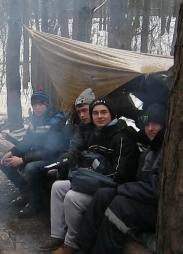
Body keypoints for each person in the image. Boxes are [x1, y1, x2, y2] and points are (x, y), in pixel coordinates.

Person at [39, 97, 140, 254]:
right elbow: (86, 158)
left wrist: (90, 176)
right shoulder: (95, 134)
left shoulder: (122, 138)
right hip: (93, 183)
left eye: (104, 112)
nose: (99, 116)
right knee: (58, 187)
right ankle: (57, 235)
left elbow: (120, 175)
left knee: (73, 197)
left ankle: (71, 243)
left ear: (112, 114)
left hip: (112, 191)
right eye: (96, 113)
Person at [76, 103, 167, 254]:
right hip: (144, 198)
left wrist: (123, 189)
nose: (150, 128)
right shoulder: (150, 150)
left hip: (160, 207)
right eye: (148, 124)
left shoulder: (168, 150)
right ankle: (84, 247)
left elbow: (156, 189)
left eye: (156, 124)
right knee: (103, 194)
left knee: (120, 205)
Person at [0, 88, 70, 218]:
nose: (37, 107)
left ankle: (36, 204)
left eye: (41, 104)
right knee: (1, 159)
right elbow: (27, 141)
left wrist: (23, 159)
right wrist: (12, 151)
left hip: (54, 159)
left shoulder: (56, 122)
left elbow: (49, 151)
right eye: (34, 104)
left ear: (47, 104)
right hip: (36, 156)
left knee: (30, 168)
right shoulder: (35, 120)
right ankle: (26, 193)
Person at [45, 88, 96, 180]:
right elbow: (76, 144)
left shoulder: (101, 126)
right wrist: (68, 155)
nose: (82, 115)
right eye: (79, 112)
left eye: (85, 110)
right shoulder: (83, 126)